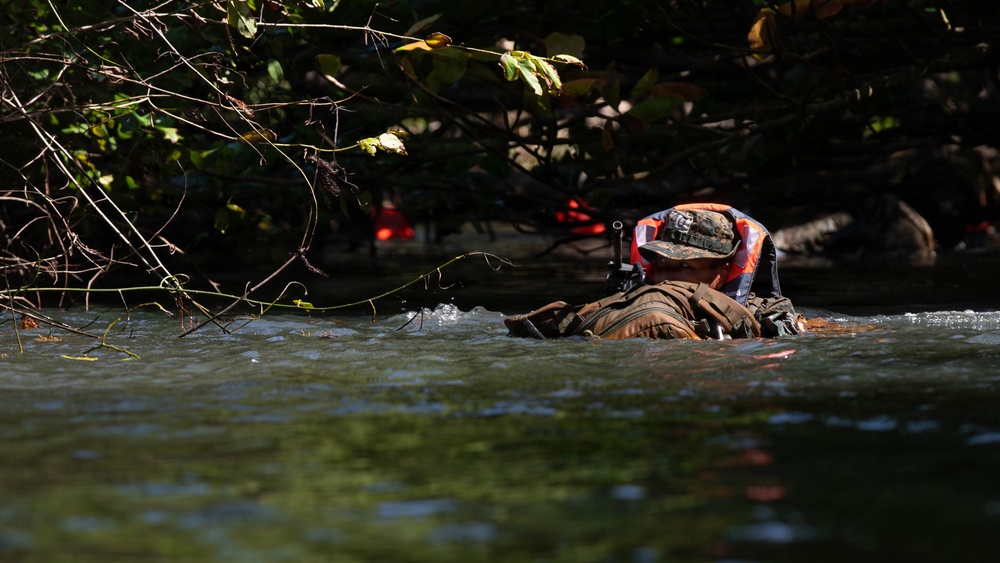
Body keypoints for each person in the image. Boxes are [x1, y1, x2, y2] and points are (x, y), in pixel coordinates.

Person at [504, 203, 803, 340]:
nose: (665, 277)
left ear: (723, 271)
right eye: (660, 265)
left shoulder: (768, 314)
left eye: (685, 266)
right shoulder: (633, 306)